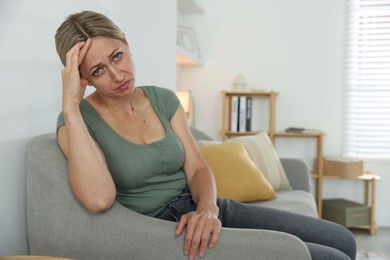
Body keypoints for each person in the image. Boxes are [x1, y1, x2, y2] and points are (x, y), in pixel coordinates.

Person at [55, 10, 356, 260]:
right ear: (82, 79)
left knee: (342, 239)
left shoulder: (163, 99)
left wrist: (208, 209)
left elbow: (197, 166)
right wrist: (70, 106)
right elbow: (98, 199)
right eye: (97, 71)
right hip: (167, 231)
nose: (117, 75)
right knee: (333, 258)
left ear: (126, 43)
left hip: (204, 207)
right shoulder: (76, 122)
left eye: (117, 56)